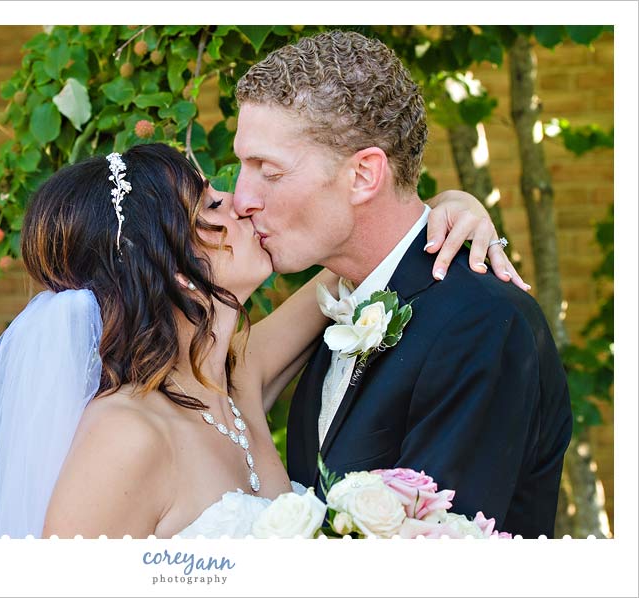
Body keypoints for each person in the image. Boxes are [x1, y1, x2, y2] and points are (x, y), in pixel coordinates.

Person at [0, 142, 519, 539]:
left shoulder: (235, 373)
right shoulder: (126, 435)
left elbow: (367, 253)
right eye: (210, 205)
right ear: (168, 264)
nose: (240, 203)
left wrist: (451, 208)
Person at [232, 30, 572, 538]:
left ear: (365, 175)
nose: (242, 200)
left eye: (269, 171)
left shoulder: (480, 324)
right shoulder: (345, 305)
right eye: (243, 166)